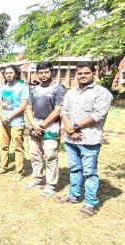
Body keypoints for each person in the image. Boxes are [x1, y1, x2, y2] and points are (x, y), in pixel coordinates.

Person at [57, 62, 113, 217]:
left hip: (89, 139)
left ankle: (90, 203)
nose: (82, 76)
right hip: (71, 139)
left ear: (93, 73)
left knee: (90, 173)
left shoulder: (102, 93)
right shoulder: (71, 92)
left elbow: (97, 115)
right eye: (80, 73)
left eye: (86, 73)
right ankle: (73, 195)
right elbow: (64, 110)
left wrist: (74, 127)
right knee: (74, 168)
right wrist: (68, 127)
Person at [24, 61, 67, 197]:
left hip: (51, 128)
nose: (43, 75)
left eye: (46, 72)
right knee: (35, 154)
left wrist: (42, 125)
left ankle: (50, 185)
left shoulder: (59, 88)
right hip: (34, 127)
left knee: (50, 156)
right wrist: (34, 125)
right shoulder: (34, 89)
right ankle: (37, 178)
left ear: (52, 72)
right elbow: (28, 108)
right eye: (41, 72)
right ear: (37, 74)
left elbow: (58, 110)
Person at [0, 65, 29, 179]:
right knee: (4, 146)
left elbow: (24, 106)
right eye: (6, 73)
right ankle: (3, 167)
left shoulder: (22, 87)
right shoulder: (3, 87)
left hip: (16, 122)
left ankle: (19, 171)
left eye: (11, 73)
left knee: (18, 147)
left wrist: (9, 116)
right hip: (3, 122)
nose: (8, 75)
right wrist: (1, 116)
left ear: (16, 73)